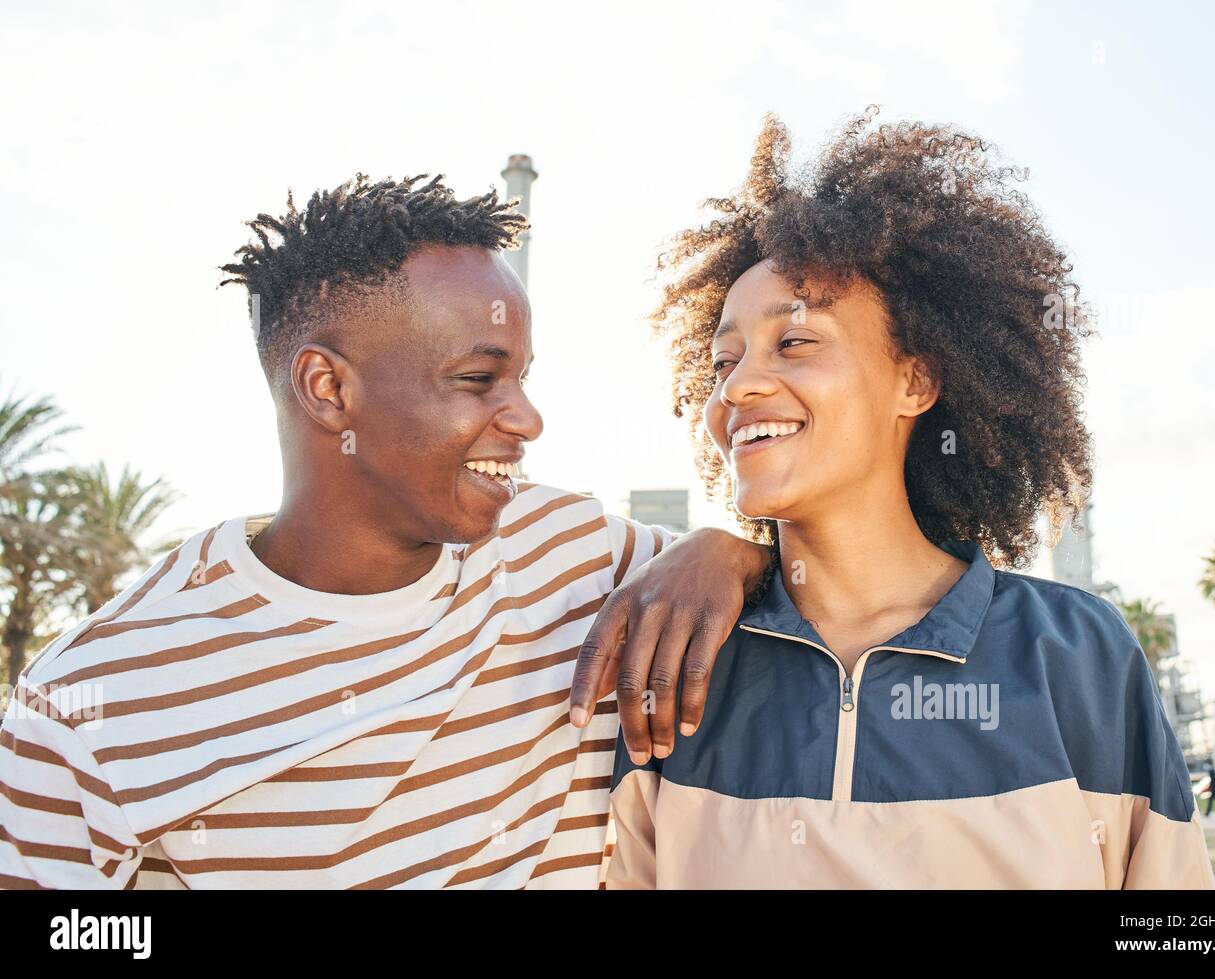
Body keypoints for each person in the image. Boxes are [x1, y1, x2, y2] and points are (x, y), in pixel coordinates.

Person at [0, 174, 768, 889]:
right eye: (478, 379)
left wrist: (729, 551)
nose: (528, 419)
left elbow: (803, 578)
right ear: (328, 388)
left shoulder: (575, 552)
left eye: (523, 376)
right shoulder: (87, 699)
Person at [605, 109, 1215, 889]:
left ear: (915, 380)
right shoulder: (681, 660)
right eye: (725, 359)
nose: (739, 386)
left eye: (795, 342)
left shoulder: (1080, 655)